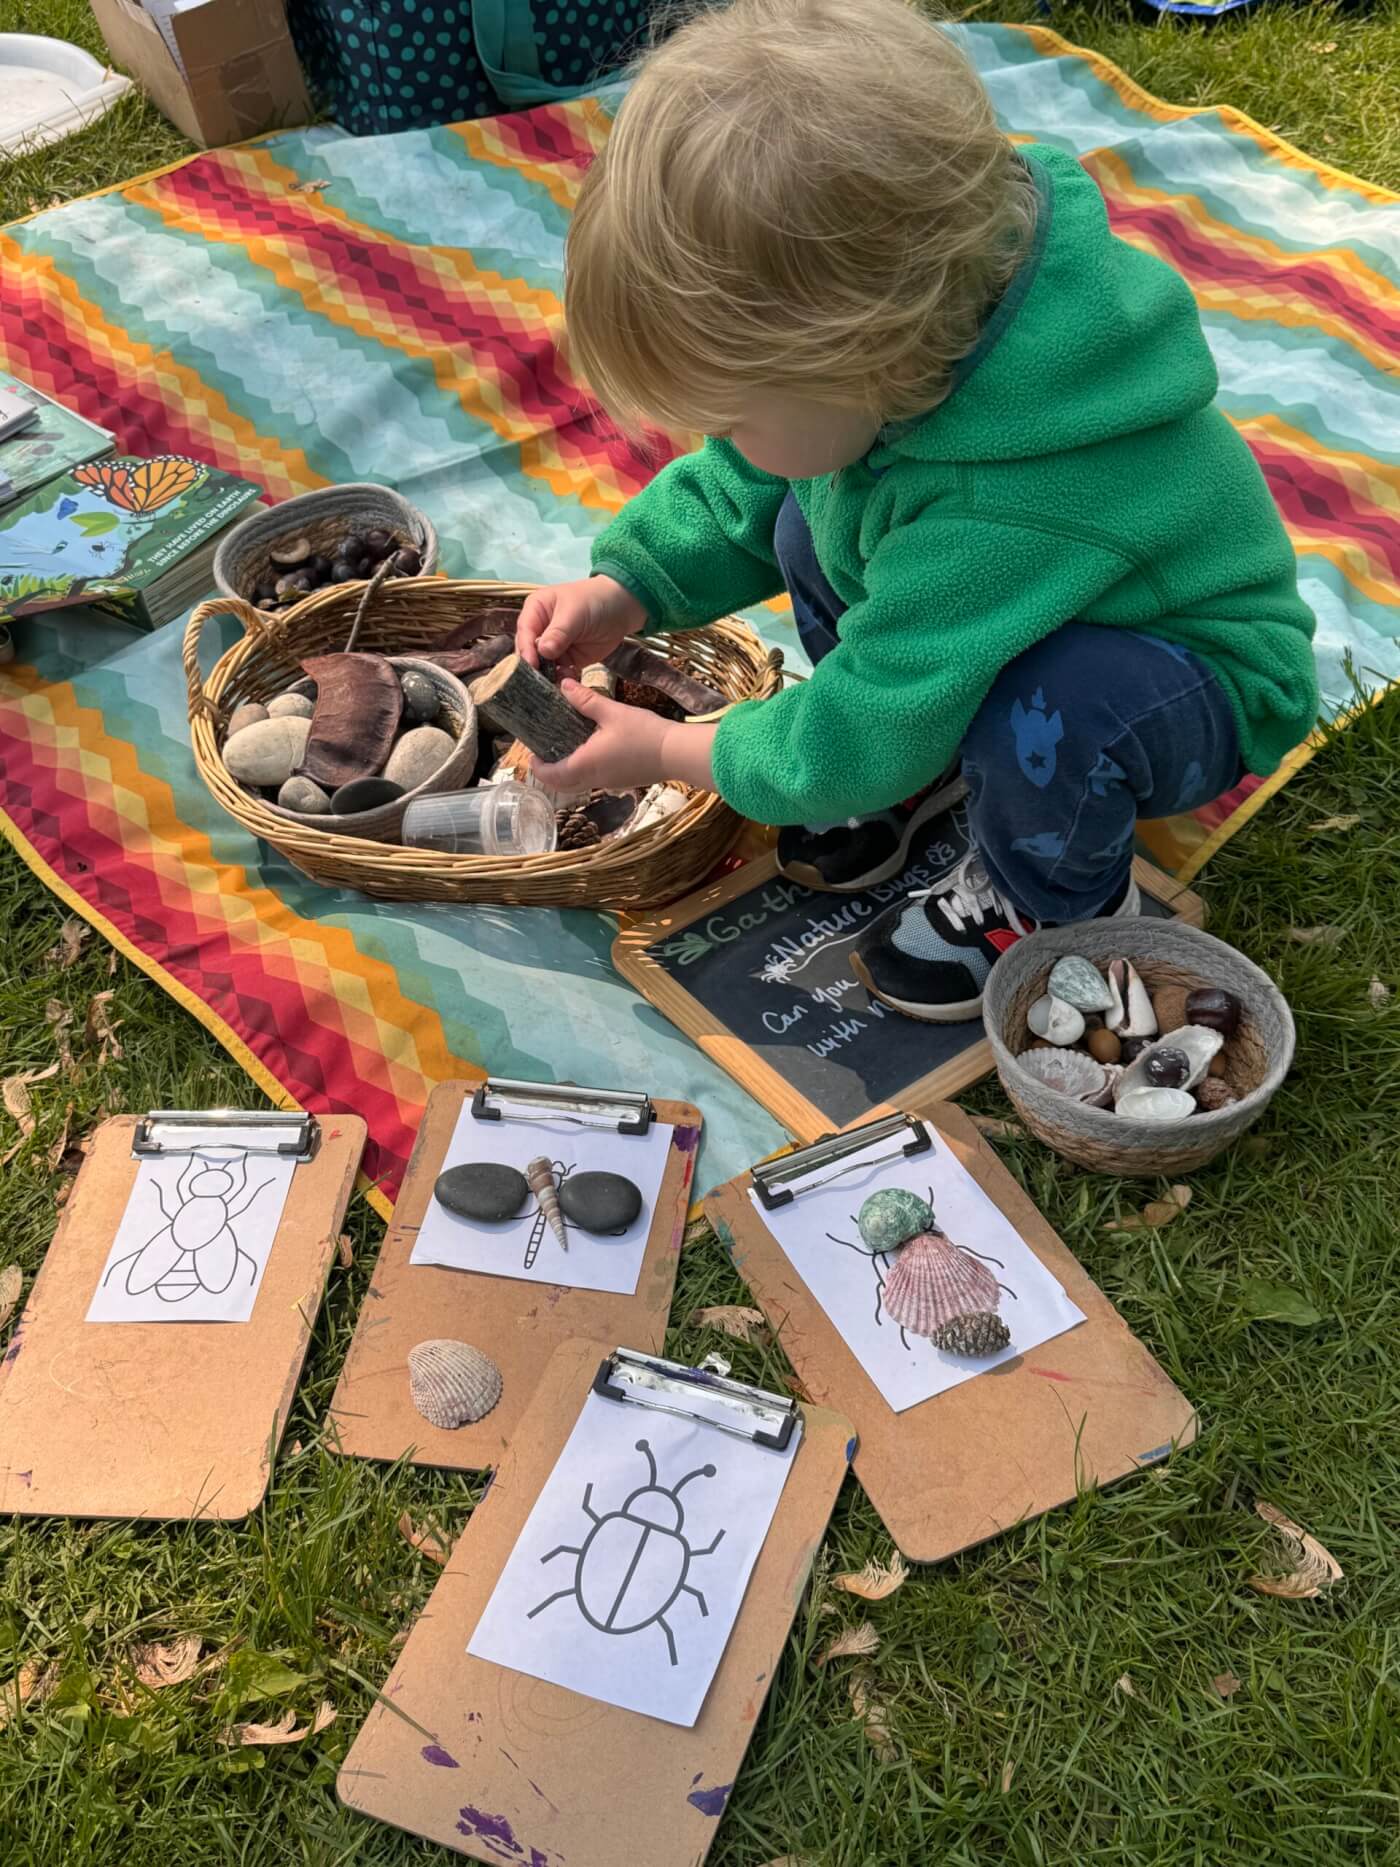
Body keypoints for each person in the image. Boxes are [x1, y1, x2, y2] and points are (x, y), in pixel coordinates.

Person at [516, 0, 1317, 1022]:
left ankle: (1048, 908)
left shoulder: (1000, 499)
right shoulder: (897, 359)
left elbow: (866, 716)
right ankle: (922, 768)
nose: (720, 438)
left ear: (864, 356)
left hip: (1190, 684)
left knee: (1046, 708)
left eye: (732, 417)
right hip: (994, 613)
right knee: (806, 515)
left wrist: (670, 750)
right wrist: (626, 585)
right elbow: (750, 483)